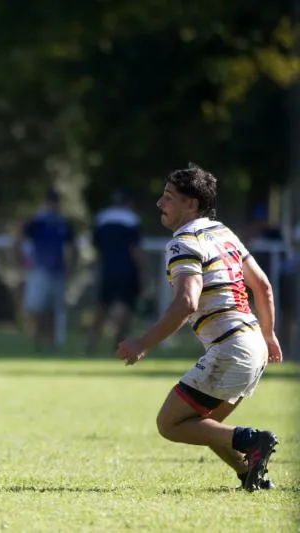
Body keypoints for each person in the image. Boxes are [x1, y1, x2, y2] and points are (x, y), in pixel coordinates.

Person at [115, 164, 282, 491]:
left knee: (170, 424)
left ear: (191, 205)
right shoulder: (224, 233)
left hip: (231, 346)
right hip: (252, 345)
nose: (160, 204)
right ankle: (249, 474)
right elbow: (262, 286)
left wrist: (143, 343)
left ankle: (253, 439)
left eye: (168, 197)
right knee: (202, 424)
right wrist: (268, 334)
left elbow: (187, 302)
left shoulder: (183, 241)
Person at [14, 188, 75, 351]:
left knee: (53, 310)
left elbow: (71, 248)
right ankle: (37, 341)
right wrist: (21, 261)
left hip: (57, 271)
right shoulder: (38, 222)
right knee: (37, 308)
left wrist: (69, 268)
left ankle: (50, 342)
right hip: (39, 271)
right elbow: (19, 238)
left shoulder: (61, 223)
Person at [85, 189, 144, 353]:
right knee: (125, 305)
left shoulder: (102, 218)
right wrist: (142, 271)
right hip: (126, 269)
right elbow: (135, 249)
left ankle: (91, 340)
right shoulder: (131, 219)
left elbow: (96, 246)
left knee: (102, 305)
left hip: (106, 268)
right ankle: (118, 340)